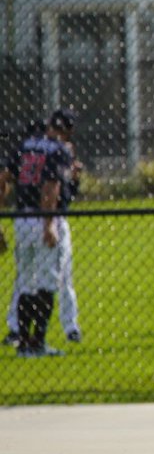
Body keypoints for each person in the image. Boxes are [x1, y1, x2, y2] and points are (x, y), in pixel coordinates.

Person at [2, 112, 79, 357]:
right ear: (67, 132)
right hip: (44, 217)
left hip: (22, 218)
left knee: (25, 280)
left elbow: (4, 178)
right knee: (47, 282)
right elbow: (51, 187)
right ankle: (37, 342)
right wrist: (49, 225)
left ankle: (23, 342)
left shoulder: (26, 146)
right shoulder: (59, 150)